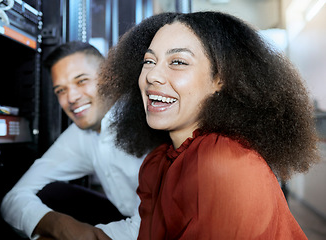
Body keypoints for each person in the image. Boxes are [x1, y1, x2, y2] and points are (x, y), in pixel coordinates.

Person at [99, 12, 320, 239]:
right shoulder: (156, 164)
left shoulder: (224, 162)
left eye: (178, 62)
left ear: (220, 79)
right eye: (149, 61)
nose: (153, 75)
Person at [0, 41, 144, 240]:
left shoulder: (145, 122)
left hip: (169, 229)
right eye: (61, 90)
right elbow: (13, 199)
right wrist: (57, 224)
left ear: (110, 78)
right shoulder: (81, 132)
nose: (71, 97)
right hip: (128, 220)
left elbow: (154, 226)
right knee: (49, 192)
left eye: (81, 81)